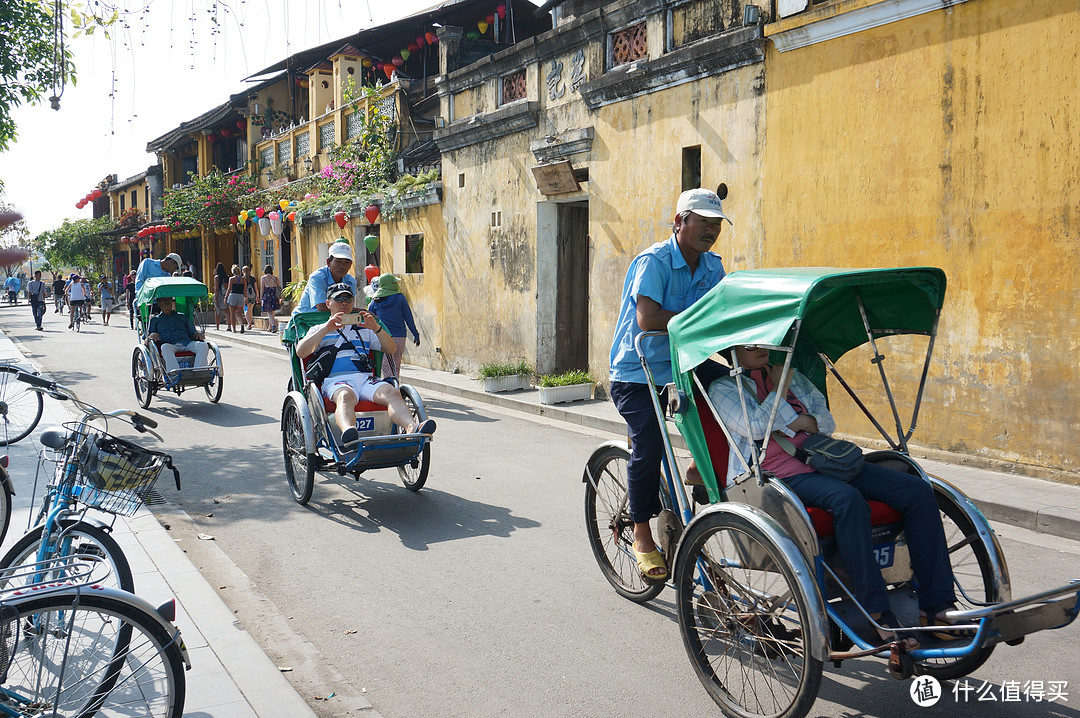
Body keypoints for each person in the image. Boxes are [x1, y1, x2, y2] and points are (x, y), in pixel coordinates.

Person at [709, 345, 962, 647]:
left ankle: (936, 607)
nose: (759, 347)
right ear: (729, 348)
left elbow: (826, 421)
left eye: (761, 340)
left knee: (917, 491)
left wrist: (793, 415)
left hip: (827, 461)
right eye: (748, 343)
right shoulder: (723, 387)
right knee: (847, 499)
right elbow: (755, 427)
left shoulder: (793, 375)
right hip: (776, 476)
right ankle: (875, 611)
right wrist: (780, 392)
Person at [608, 188, 731, 582]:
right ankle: (642, 534)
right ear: (679, 222)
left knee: (737, 393)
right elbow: (647, 318)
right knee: (651, 444)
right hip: (636, 371)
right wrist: (700, 322)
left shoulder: (713, 267)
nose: (710, 231)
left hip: (682, 365)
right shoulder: (655, 261)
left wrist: (744, 357)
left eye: (716, 225)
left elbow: (723, 317)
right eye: (703, 222)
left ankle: (700, 465)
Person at [295, 282, 435, 448]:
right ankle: (349, 432)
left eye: (348, 298)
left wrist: (376, 328)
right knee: (345, 396)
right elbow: (301, 352)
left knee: (392, 392)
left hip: (366, 380)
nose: (344, 303)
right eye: (338, 299)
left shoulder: (366, 329)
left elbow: (391, 349)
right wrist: (326, 328)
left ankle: (412, 427)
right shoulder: (319, 329)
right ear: (328, 304)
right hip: (336, 381)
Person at [367, 273, 419, 378]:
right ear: (390, 284)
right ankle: (395, 386)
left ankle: (388, 386)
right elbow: (409, 318)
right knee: (396, 364)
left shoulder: (374, 301)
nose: (396, 284)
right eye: (395, 282)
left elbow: (368, 318)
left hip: (382, 337)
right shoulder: (400, 298)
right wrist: (415, 334)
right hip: (400, 337)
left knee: (385, 366)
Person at [147, 296, 209, 381]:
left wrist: (197, 334)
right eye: (163, 302)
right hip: (169, 344)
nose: (166, 305)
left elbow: (192, 332)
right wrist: (152, 334)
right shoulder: (155, 320)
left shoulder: (182, 317)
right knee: (165, 347)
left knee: (203, 346)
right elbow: (147, 338)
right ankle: (174, 374)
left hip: (186, 342)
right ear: (159, 304)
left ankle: (198, 372)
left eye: (168, 302)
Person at [293, 241, 357, 314]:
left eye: (347, 262)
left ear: (351, 264)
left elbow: (349, 307)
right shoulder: (317, 278)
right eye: (338, 262)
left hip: (333, 318)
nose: (342, 266)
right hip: (305, 319)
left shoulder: (351, 281)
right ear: (328, 262)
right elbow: (322, 308)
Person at [259, 265, 282, 333]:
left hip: (267, 295)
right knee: (272, 312)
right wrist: (281, 297)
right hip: (274, 295)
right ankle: (270, 327)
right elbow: (280, 288)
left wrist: (261, 298)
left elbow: (262, 289)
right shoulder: (275, 278)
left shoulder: (263, 278)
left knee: (269, 312)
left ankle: (274, 326)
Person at [226, 265, 245, 332]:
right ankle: (242, 324)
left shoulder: (232, 279)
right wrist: (246, 297)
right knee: (239, 314)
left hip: (233, 295)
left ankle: (234, 329)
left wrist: (226, 297)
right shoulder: (243, 279)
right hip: (241, 296)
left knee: (232, 313)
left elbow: (229, 289)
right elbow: (244, 290)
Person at [213, 263, 229, 331]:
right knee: (226, 311)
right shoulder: (227, 277)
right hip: (225, 294)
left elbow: (216, 289)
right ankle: (229, 326)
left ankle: (217, 327)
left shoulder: (217, 277)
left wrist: (215, 298)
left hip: (219, 294)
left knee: (217, 311)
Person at [241, 265, 257, 331]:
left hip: (245, 296)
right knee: (250, 309)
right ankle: (250, 322)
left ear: (243, 271)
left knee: (246, 309)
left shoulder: (242, 279)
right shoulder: (253, 279)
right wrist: (258, 296)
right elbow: (256, 288)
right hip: (253, 295)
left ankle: (249, 323)